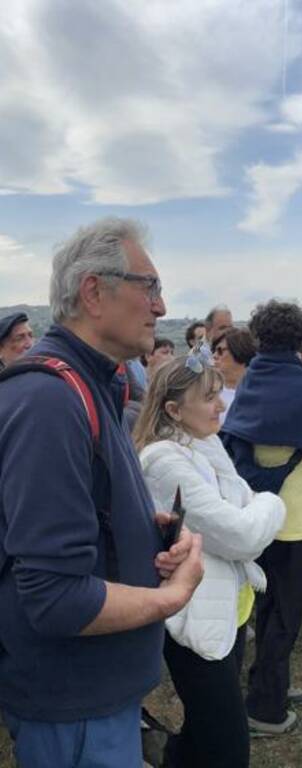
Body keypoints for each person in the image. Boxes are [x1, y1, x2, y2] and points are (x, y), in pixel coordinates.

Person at [0, 218, 203, 767]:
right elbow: (55, 597)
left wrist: (142, 526)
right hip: (71, 703)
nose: (161, 307)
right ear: (94, 291)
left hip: (92, 693)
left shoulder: (95, 382)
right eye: (150, 286)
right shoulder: (51, 402)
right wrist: (172, 598)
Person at [136, 355, 286, 767]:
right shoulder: (165, 461)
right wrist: (274, 502)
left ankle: (155, 746)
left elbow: (239, 509)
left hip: (227, 606)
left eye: (219, 394)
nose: (221, 405)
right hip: (194, 613)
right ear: (173, 410)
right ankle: (153, 745)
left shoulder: (203, 442)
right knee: (229, 747)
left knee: (209, 730)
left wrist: (250, 512)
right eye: (208, 397)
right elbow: (241, 533)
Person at [220, 300, 302, 735]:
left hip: (252, 514)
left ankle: (269, 682)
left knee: (264, 605)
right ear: (301, 338)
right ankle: (265, 708)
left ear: (258, 337)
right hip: (294, 519)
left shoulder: (252, 379)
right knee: (285, 615)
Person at [211, 327, 257, 424]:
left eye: (220, 351)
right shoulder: (206, 393)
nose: (214, 356)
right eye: (214, 351)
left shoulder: (258, 396)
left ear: (240, 351)